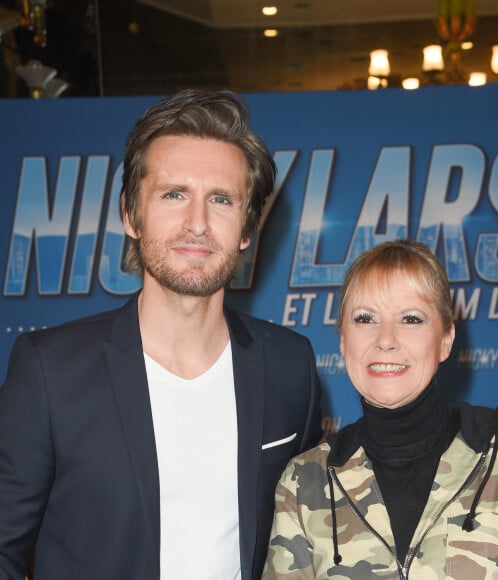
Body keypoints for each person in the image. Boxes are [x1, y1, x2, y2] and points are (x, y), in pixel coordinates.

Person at [0, 89, 322, 580]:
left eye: (221, 199)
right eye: (174, 194)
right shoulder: (50, 371)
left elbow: (310, 537)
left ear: (246, 229)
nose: (197, 223)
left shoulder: (289, 365)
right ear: (131, 215)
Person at [262, 239, 498, 579]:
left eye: (411, 319)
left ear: (445, 340)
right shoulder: (304, 481)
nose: (386, 339)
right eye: (365, 318)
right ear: (343, 340)